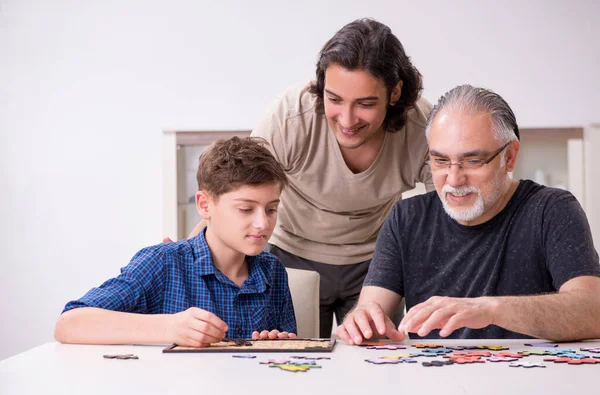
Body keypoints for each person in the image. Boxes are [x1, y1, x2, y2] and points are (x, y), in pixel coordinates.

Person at [337, 84, 600, 343]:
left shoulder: (551, 209)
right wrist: (361, 322)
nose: (454, 179)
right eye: (440, 161)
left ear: (509, 156)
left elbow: (593, 311)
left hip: (530, 382)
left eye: (473, 161)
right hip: (436, 380)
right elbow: (370, 311)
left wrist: (490, 310)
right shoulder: (406, 218)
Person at [248, 18, 433, 338]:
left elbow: (449, 216)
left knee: (375, 368)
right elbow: (240, 194)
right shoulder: (289, 117)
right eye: (334, 100)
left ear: (395, 93)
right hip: (290, 257)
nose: (347, 120)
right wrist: (192, 251)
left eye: (365, 104)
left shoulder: (422, 128)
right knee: (290, 371)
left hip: (377, 266)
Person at [55, 136, 297, 347]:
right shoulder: (162, 263)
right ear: (204, 205)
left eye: (271, 210)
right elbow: (69, 323)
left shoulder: (273, 271)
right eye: (246, 209)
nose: (263, 224)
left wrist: (279, 345)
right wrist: (170, 327)